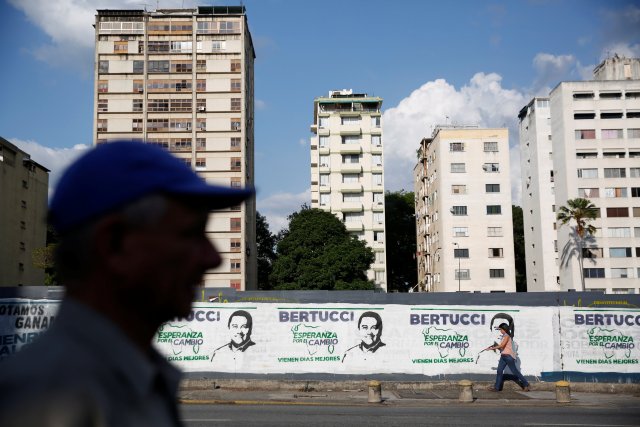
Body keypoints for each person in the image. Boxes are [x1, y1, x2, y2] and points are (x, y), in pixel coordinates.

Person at [0, 140, 254, 427]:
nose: (213, 258)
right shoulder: (43, 397)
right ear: (114, 245)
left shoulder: (140, 377)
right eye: (191, 234)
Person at [486, 323, 531, 392]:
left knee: (515, 371)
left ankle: (526, 384)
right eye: (500, 329)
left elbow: (502, 345)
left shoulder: (507, 336)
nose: (500, 331)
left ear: (504, 329)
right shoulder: (504, 336)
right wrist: (494, 347)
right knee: (499, 371)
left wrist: (492, 348)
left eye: (501, 329)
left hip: (508, 357)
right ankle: (497, 388)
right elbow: (502, 347)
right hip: (503, 356)